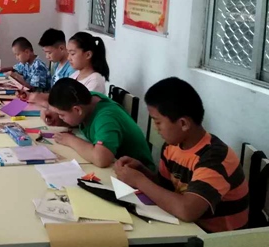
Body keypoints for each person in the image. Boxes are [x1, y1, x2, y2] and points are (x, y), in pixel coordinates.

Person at [115, 77, 249, 232]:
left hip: (217, 240)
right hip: (185, 228)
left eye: (158, 122)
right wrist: (142, 171)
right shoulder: (172, 147)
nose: (156, 128)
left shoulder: (214, 158)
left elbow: (187, 211)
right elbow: (165, 189)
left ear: (183, 124)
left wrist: (139, 181)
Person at [47, 78, 155, 170]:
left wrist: (70, 140)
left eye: (61, 115)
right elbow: (76, 119)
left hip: (140, 175)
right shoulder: (89, 99)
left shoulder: (106, 118)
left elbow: (101, 159)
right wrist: (58, 119)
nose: (60, 117)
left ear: (77, 110)